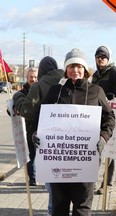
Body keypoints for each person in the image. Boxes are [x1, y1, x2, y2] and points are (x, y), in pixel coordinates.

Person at [43, 48, 115, 216]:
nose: (75, 70)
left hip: (86, 159)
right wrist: (38, 135)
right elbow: (43, 118)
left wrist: (103, 137)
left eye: (79, 66)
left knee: (82, 207)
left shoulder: (96, 91)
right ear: (66, 69)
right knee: (59, 206)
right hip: (60, 160)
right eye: (71, 66)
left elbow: (110, 118)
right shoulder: (55, 91)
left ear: (85, 69)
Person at [13, 56, 64, 216]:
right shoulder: (67, 81)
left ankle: (53, 211)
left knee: (52, 182)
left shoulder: (40, 86)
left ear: (41, 72)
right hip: (69, 140)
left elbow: (27, 110)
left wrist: (17, 97)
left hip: (45, 140)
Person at [92, 45, 116, 194]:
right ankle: (91, 180)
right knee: (98, 149)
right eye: (98, 57)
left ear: (108, 58)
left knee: (111, 151)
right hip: (96, 116)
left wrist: (112, 98)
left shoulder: (115, 73)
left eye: (103, 57)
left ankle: (107, 184)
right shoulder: (95, 75)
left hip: (111, 116)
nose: (100, 59)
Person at [12, 67, 38, 186]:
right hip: (26, 128)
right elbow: (12, 109)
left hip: (39, 128)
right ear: (27, 78)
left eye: (35, 77)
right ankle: (32, 178)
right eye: (31, 77)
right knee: (30, 154)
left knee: (40, 154)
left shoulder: (41, 91)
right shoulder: (21, 93)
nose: (33, 79)